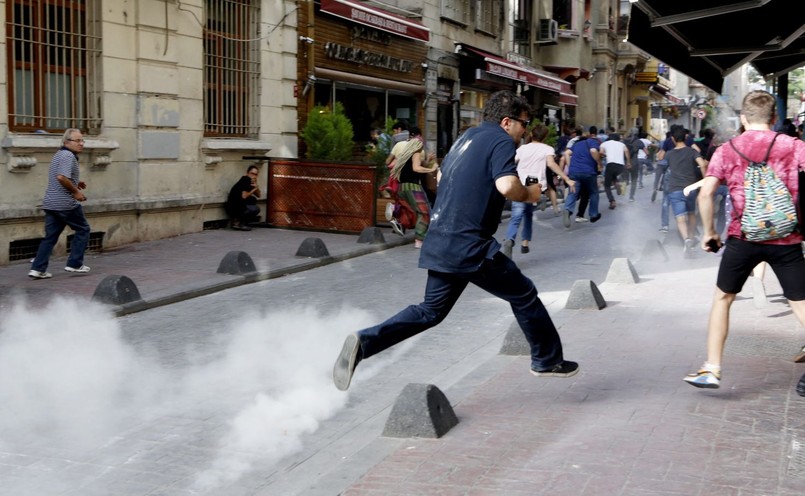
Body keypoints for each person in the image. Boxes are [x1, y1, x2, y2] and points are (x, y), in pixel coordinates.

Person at [333, 90, 579, 391]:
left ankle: (364, 342)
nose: (524, 131)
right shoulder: (500, 140)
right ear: (506, 122)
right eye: (523, 124)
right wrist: (529, 194)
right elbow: (505, 186)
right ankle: (546, 360)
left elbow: (440, 179)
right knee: (524, 293)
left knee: (430, 311)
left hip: (441, 238)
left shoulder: (465, 139)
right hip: (470, 245)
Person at [684, 90, 805, 393]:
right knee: (801, 304)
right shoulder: (794, 145)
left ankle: (712, 368)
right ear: (774, 118)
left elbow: (706, 193)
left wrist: (710, 233)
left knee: (723, 299)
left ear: (742, 118)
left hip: (743, 237)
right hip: (787, 236)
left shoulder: (727, 149)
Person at [501, 124, 576, 257]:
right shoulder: (547, 149)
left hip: (520, 183)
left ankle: (509, 239)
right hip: (534, 186)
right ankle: (525, 243)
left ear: (531, 134)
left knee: (516, 216)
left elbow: (512, 162)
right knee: (528, 213)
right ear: (545, 136)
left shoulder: (523, 148)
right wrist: (566, 178)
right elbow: (551, 164)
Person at [29, 129, 92, 279]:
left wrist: (76, 183)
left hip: (51, 203)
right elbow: (61, 177)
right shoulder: (67, 155)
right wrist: (75, 192)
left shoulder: (59, 154)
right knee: (83, 229)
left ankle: (37, 269)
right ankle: (75, 264)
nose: (81, 144)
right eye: (78, 141)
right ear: (66, 142)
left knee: (50, 237)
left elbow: (63, 177)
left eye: (82, 140)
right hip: (65, 203)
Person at [386, 127, 438, 248]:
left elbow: (390, 163)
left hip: (401, 186)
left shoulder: (404, 150)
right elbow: (416, 168)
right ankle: (419, 240)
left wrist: (426, 161)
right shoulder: (417, 149)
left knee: (409, 211)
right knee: (424, 212)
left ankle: (395, 210)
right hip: (413, 185)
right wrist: (430, 169)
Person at [665, 126, 708, 257]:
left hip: (675, 189)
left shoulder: (669, 154)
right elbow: (703, 163)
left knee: (680, 218)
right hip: (691, 188)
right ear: (686, 137)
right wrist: (705, 179)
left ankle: (687, 240)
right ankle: (691, 236)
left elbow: (663, 163)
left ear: (672, 138)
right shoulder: (691, 152)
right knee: (691, 214)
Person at [562, 128, 602, 226]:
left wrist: (570, 165)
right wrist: (599, 163)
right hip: (588, 172)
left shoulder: (576, 145)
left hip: (574, 172)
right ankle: (593, 214)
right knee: (593, 193)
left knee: (573, 192)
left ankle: (567, 209)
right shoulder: (593, 142)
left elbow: (566, 154)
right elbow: (593, 151)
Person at [599, 132, 630, 209]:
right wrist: (629, 162)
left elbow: (601, 152)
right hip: (620, 166)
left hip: (611, 165)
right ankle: (617, 184)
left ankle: (612, 201)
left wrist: (606, 155)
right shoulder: (622, 144)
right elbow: (627, 151)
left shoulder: (604, 143)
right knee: (614, 177)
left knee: (607, 185)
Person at [225, 165, 261, 231]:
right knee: (255, 209)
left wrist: (256, 187)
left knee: (253, 201)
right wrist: (254, 189)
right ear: (247, 173)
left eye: (256, 174)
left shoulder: (250, 182)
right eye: (252, 173)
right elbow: (244, 196)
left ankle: (239, 221)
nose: (253, 176)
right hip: (233, 208)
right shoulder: (245, 180)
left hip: (236, 207)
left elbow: (258, 195)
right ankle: (238, 222)